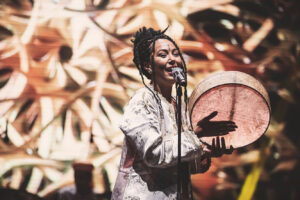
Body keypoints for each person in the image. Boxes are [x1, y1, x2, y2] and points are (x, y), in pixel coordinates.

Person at [111, 27, 237, 200]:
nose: (172, 59)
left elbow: (181, 165)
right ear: (148, 66)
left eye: (175, 54)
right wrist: (196, 132)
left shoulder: (179, 105)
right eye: (163, 55)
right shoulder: (142, 100)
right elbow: (154, 154)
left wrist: (206, 152)